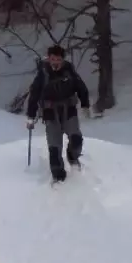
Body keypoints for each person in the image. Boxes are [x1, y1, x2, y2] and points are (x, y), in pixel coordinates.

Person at [26, 45, 91, 182]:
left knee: (76, 139)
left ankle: (72, 157)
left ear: (63, 60)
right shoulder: (43, 74)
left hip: (69, 111)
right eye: (53, 59)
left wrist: (85, 105)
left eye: (58, 59)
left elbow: (81, 87)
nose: (55, 62)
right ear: (49, 59)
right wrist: (31, 116)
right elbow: (34, 95)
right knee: (54, 147)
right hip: (50, 113)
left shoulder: (69, 71)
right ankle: (58, 176)